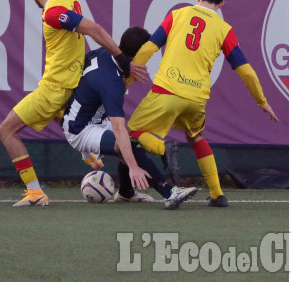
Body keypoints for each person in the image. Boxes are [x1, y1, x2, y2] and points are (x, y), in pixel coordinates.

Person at [0, 0, 149, 207]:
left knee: (5, 131)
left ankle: (34, 192)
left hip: (54, 89)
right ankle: (94, 159)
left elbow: (94, 28)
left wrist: (122, 58)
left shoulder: (53, 13)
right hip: (73, 85)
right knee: (63, 120)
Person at [126, 0, 279, 207]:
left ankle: (163, 148)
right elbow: (246, 71)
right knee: (196, 137)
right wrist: (262, 101)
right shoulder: (225, 29)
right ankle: (218, 195)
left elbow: (149, 47)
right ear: (222, 4)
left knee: (131, 134)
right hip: (196, 99)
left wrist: (127, 80)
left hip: (167, 91)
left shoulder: (177, 15)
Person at [62, 26, 198, 209]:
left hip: (89, 118)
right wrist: (133, 166)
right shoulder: (112, 83)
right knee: (128, 144)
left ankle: (126, 193)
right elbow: (118, 129)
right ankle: (169, 192)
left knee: (131, 141)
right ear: (138, 54)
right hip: (81, 129)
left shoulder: (105, 53)